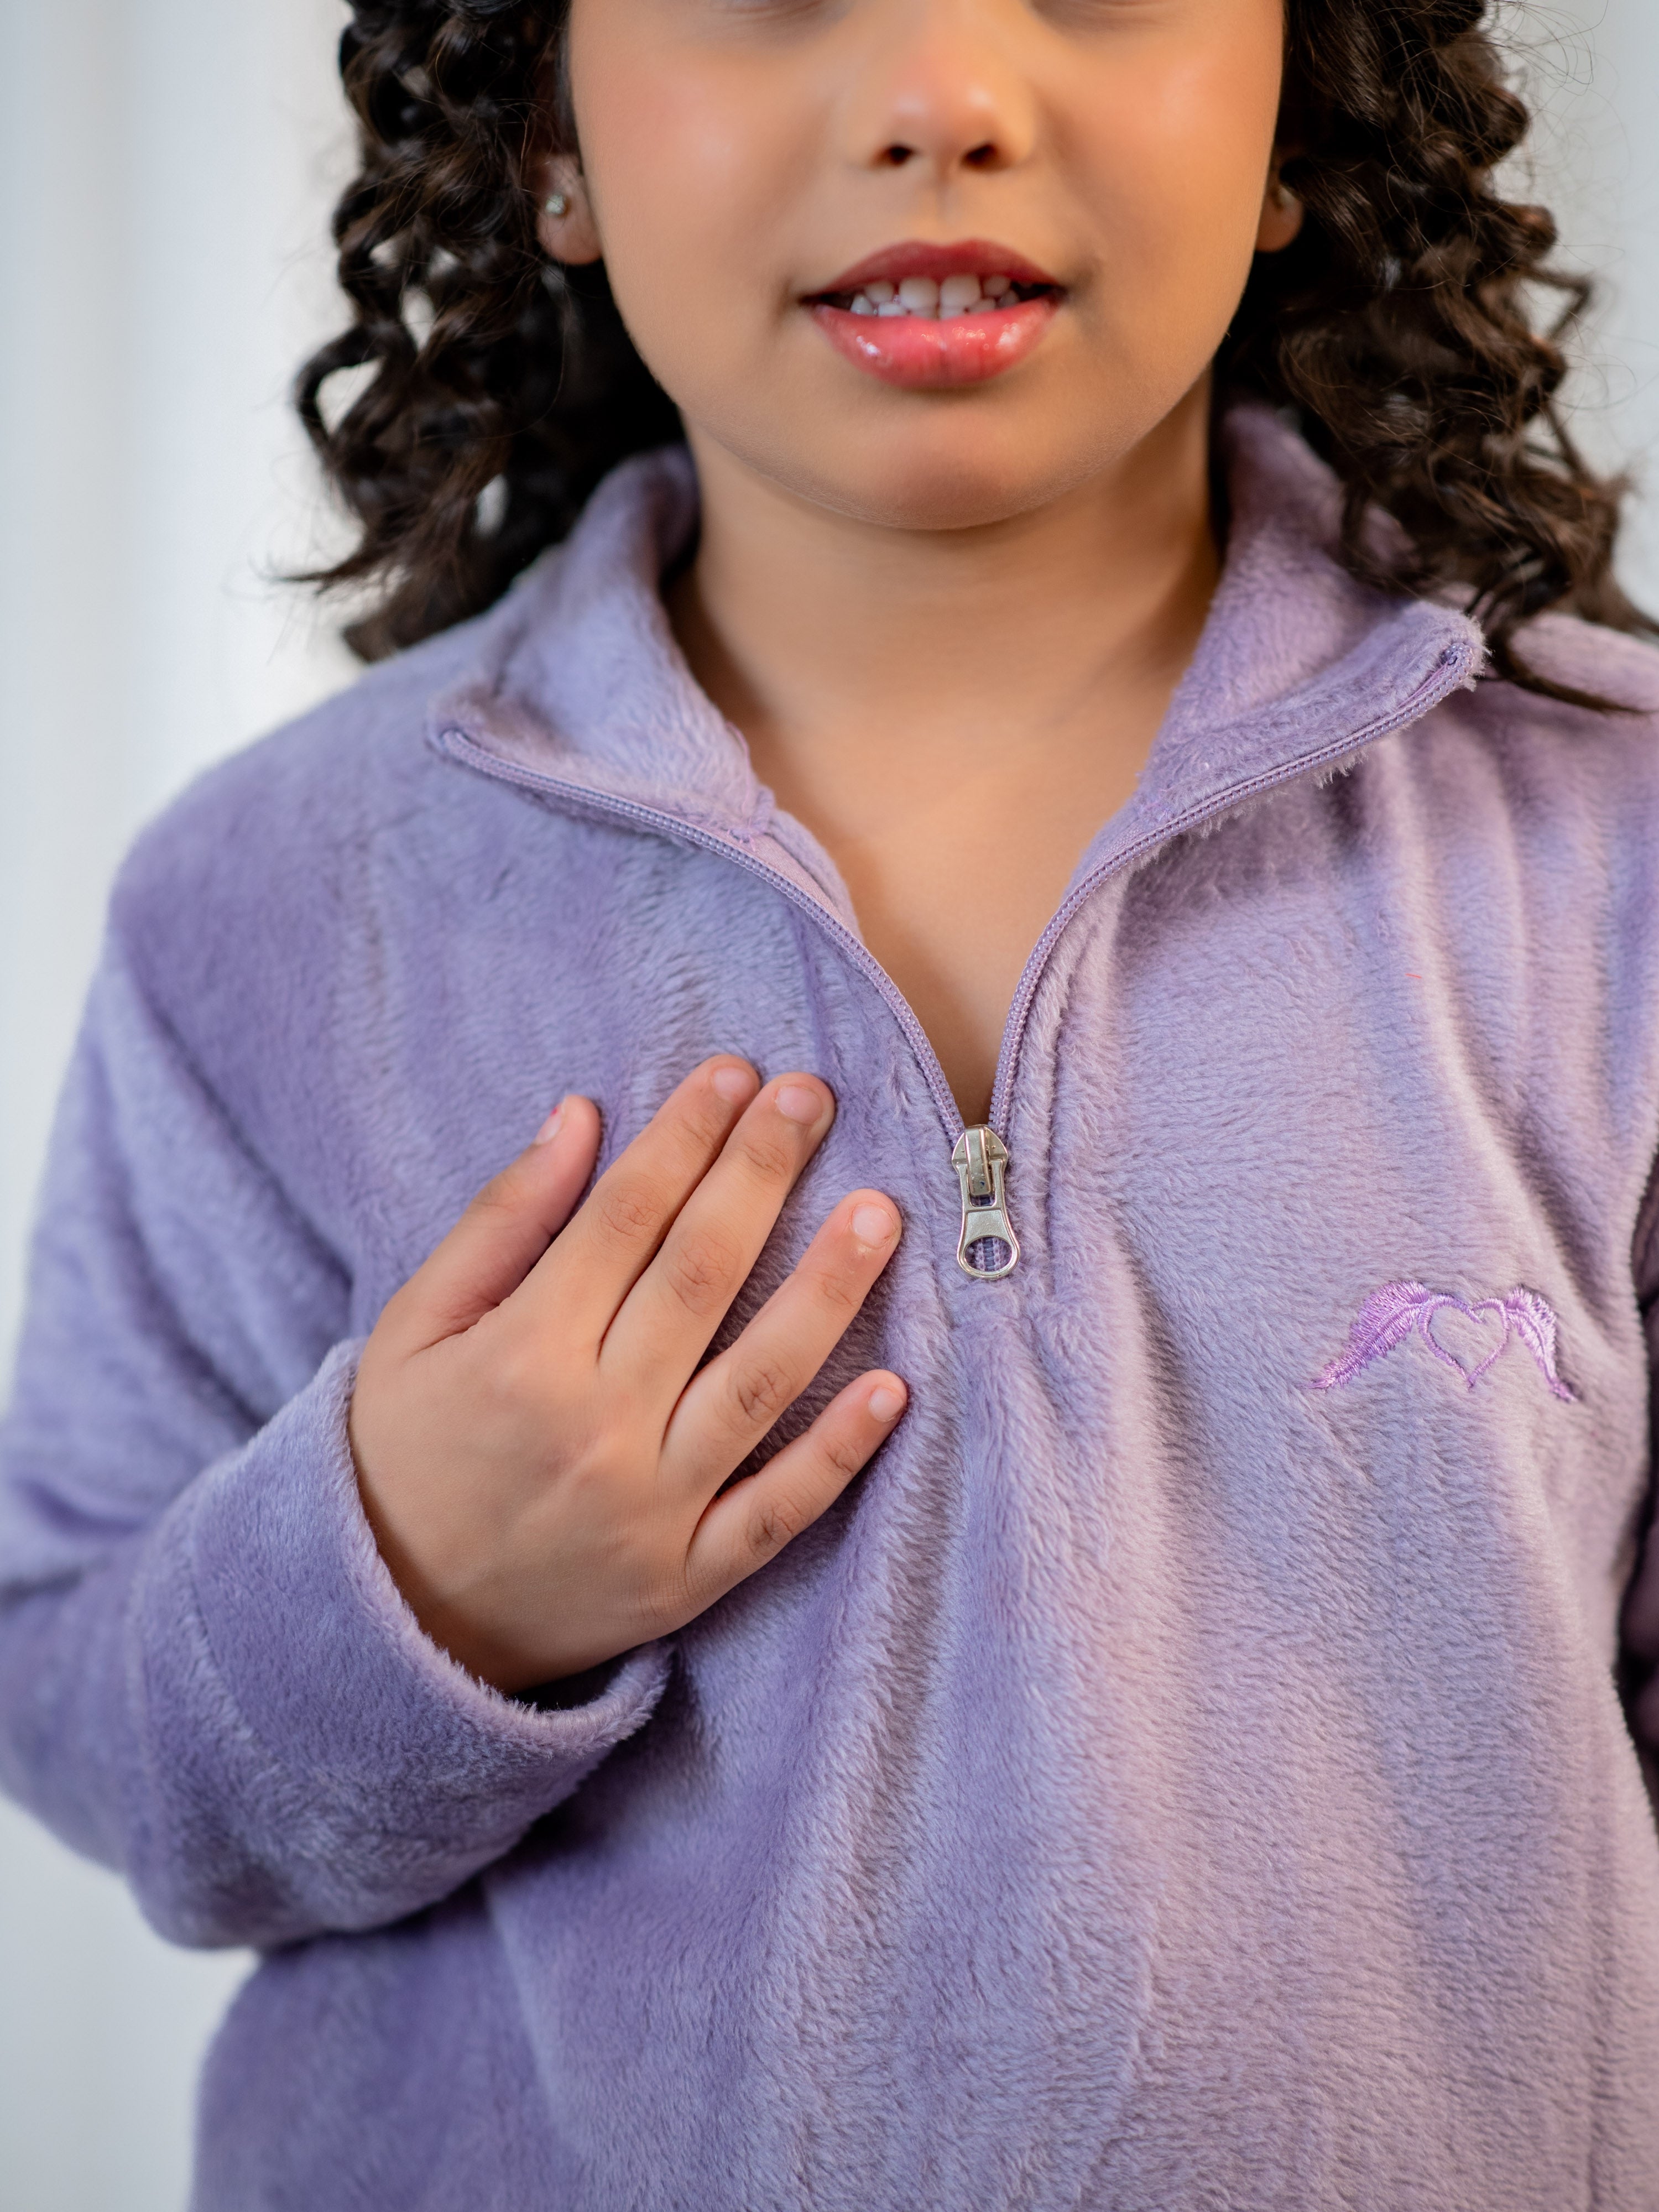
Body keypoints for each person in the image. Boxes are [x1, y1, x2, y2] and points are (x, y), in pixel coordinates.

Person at [3, 0, 1658, 2204]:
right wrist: (403, 1578)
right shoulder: (274, 909)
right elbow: (74, 1684)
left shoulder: (1615, 842)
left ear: (1306, 104)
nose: (943, 100)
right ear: (546, 140)